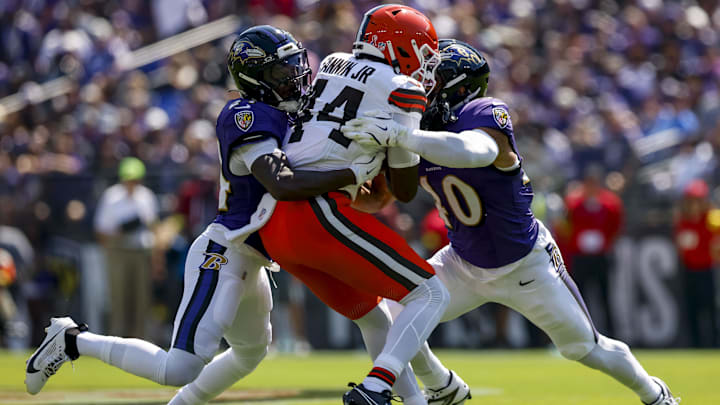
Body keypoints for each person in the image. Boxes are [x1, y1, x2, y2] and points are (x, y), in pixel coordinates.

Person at [24, 25, 381, 398]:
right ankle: (72, 340)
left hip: (254, 258)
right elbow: (282, 183)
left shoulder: (289, 116)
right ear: (255, 78)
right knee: (178, 366)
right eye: (281, 72)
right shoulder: (246, 114)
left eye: (295, 67)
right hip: (225, 250)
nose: (294, 78)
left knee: (250, 352)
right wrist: (354, 172)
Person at [343, 39, 679, 405]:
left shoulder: (483, 113)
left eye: (431, 78)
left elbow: (476, 152)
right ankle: (442, 386)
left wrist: (403, 136)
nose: (421, 86)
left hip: (525, 264)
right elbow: (379, 198)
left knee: (585, 347)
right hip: (461, 261)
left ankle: (655, 394)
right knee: (389, 318)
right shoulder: (416, 132)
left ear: (460, 87)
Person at [259, 5, 492, 404]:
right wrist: (393, 146)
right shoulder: (403, 88)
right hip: (318, 212)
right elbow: (402, 191)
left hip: (275, 222)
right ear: (398, 45)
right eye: (422, 52)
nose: (425, 65)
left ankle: (420, 398)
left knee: (374, 316)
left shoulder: (331, 62)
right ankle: (375, 386)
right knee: (430, 294)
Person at [94, 156, 160, 339]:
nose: (132, 183)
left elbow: (154, 227)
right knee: (119, 297)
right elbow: (101, 231)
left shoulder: (147, 196)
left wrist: (156, 258)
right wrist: (122, 230)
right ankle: (117, 339)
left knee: (141, 299)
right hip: (118, 251)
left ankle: (141, 340)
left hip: (141, 252)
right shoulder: (111, 197)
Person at [564, 163, 624, 336]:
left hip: (601, 256)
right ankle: (579, 334)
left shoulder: (610, 203)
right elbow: (566, 225)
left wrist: (604, 243)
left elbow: (616, 227)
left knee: (605, 297)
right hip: (581, 257)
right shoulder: (574, 202)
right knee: (580, 297)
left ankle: (612, 334)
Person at [674, 179, 719, 347]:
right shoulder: (683, 221)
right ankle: (696, 344)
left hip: (708, 270)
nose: (694, 205)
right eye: (691, 201)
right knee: (692, 309)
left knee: (711, 309)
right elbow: (681, 246)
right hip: (689, 269)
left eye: (697, 201)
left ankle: (714, 343)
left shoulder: (713, 220)